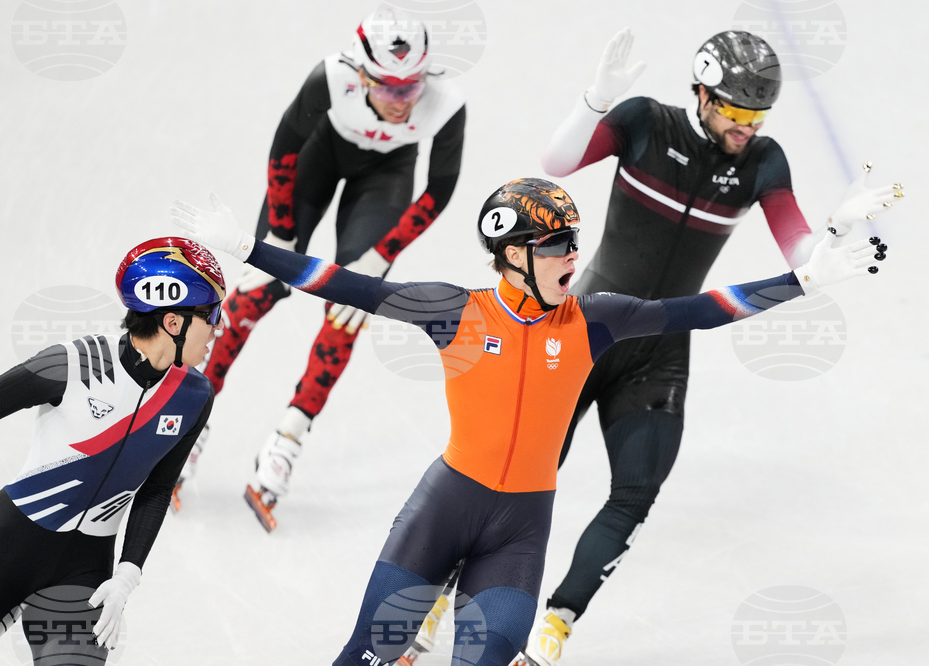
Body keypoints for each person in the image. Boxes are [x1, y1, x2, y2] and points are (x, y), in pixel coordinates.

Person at [170, 176, 884, 666]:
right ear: (515, 256)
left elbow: (700, 311)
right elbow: (347, 284)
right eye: (557, 247)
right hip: (444, 510)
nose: (574, 257)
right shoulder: (455, 311)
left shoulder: (597, 319)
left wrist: (804, 280)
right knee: (369, 654)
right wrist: (248, 249)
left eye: (574, 243)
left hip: (518, 532)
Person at [514, 29, 904, 665]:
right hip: (584, 333)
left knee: (635, 494)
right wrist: (595, 101)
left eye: (758, 116)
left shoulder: (763, 161)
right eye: (735, 112)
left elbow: (800, 251)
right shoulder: (645, 122)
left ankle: (555, 626)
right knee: (523, 475)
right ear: (701, 93)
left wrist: (835, 230)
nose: (746, 127)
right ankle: (448, 593)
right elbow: (556, 164)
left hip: (660, 352)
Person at [172, 5, 466, 531]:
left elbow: (438, 191)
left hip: (386, 177)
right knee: (258, 289)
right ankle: (191, 419)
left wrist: (381, 255)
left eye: (412, 87)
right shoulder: (329, 76)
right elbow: (283, 154)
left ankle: (288, 439)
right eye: (389, 87)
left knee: (350, 305)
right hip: (319, 155)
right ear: (360, 73)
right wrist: (280, 237)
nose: (402, 101)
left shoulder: (446, 102)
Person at [0, 238, 223, 665]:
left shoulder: (195, 396)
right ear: (173, 322)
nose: (218, 327)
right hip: (9, 544)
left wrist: (127, 574)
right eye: (211, 314)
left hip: (83, 572)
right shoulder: (78, 362)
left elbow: (158, 489)